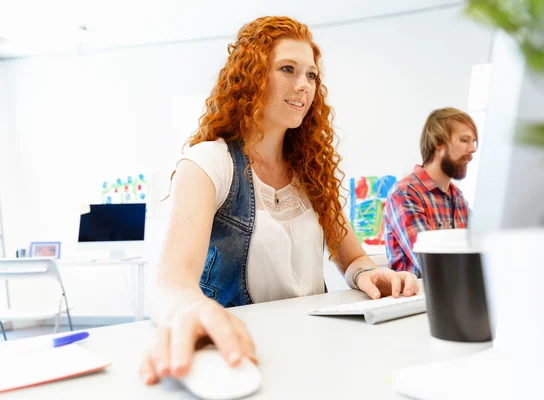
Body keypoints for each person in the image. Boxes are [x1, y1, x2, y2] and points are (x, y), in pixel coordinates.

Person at [138, 16, 419, 385]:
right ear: (251, 76)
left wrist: (368, 273)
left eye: (312, 75)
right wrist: (190, 309)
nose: (304, 85)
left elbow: (352, 256)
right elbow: (171, 282)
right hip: (243, 359)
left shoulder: (311, 172)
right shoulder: (209, 163)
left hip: (315, 353)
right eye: (288, 69)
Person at [383, 107, 478, 277]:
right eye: (464, 140)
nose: (473, 149)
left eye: (474, 142)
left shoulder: (457, 197)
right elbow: (432, 265)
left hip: (453, 295)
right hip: (417, 300)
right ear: (438, 143)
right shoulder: (405, 193)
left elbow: (481, 247)